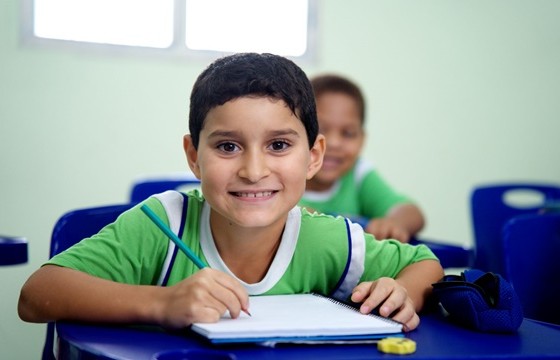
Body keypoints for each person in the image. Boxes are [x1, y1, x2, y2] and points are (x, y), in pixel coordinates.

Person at [18, 53, 443, 332]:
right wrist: (163, 304)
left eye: (278, 145)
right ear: (193, 155)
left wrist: (401, 290)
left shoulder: (327, 238)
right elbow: (37, 294)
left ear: (313, 157)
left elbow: (425, 264)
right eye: (227, 146)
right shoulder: (161, 223)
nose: (254, 171)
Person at [300, 74, 425, 243]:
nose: (334, 143)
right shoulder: (283, 177)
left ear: (362, 140)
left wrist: (394, 223)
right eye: (320, 130)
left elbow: (412, 213)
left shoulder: (358, 174)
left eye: (348, 133)